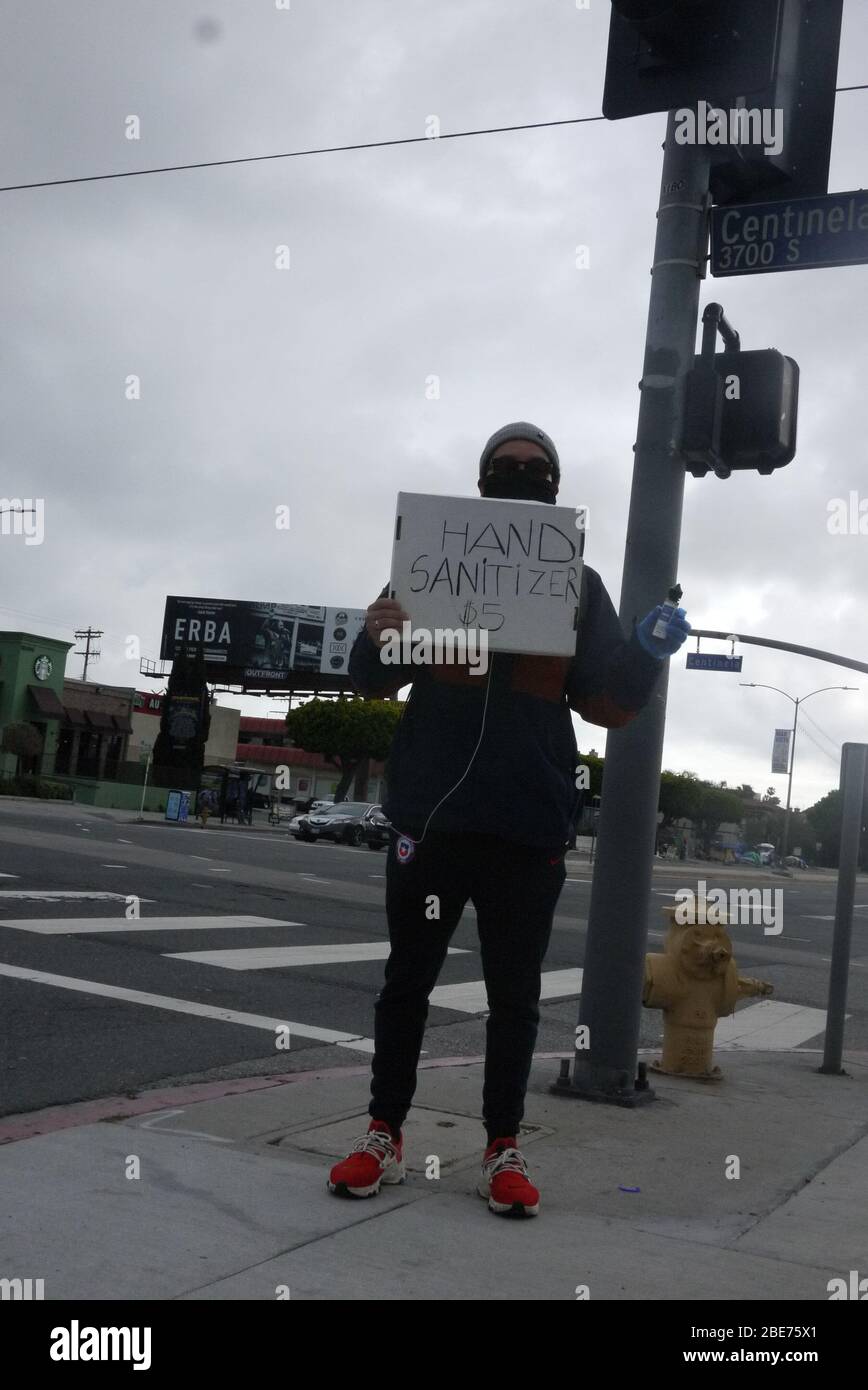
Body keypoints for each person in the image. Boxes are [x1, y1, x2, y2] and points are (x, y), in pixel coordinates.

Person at [327, 422, 690, 1217]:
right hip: (431, 819)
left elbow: (606, 706)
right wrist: (377, 635)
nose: (522, 474)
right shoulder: (427, 564)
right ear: (483, 482)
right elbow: (371, 683)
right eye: (507, 466)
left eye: (537, 468)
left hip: (527, 828)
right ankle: (383, 1132)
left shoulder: (577, 584)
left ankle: (502, 1145)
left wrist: (646, 651)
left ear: (555, 488)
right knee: (406, 984)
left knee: (516, 998)